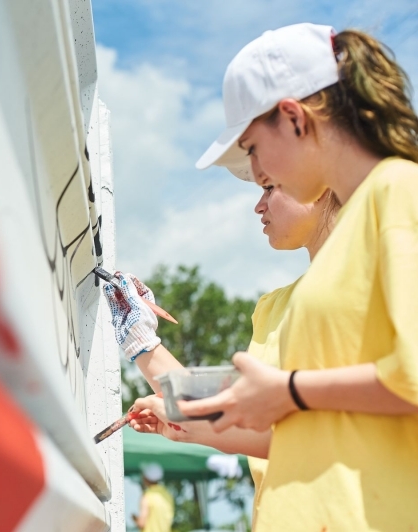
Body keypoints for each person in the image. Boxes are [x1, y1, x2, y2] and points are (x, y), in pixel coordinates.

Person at [175, 23, 418, 530]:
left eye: (252, 147)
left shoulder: (398, 190)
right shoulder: (353, 228)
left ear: (292, 117)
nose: (257, 171)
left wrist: (289, 391)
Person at [124, 183, 339, 528]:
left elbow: (323, 435)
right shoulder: (273, 307)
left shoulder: (373, 283)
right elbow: (247, 417)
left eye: (270, 186)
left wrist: (194, 423)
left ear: (321, 181)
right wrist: (142, 342)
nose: (259, 205)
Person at [132, 463, 174, 532]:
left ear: (146, 478)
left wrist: (134, 518)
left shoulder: (147, 496)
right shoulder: (168, 495)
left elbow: (141, 523)